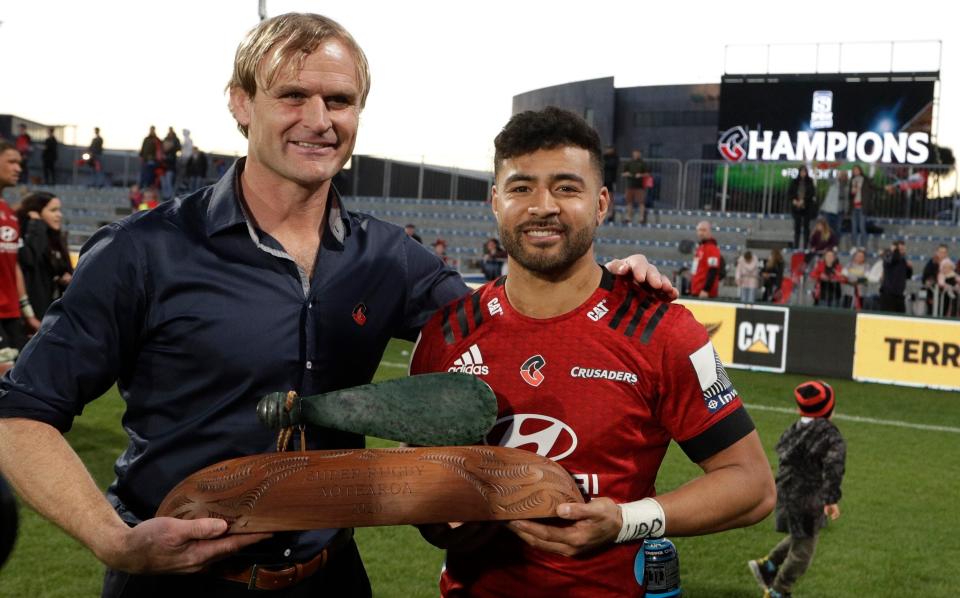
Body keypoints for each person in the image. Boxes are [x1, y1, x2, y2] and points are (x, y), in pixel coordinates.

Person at [0, 15, 675, 598]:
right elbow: (21, 416)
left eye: (340, 100)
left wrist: (603, 278)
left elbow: (508, 325)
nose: (319, 121)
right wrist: (110, 539)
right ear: (240, 102)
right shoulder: (144, 252)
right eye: (292, 95)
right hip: (172, 583)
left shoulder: (388, 258)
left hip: (331, 578)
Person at [411, 106, 774, 598]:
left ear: (601, 203)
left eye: (566, 187)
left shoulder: (661, 331)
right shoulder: (447, 333)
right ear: (494, 201)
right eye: (521, 188)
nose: (543, 205)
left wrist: (626, 521)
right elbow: (420, 481)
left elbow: (751, 486)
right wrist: (439, 516)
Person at [748, 380, 845, 598]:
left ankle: (769, 565)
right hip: (807, 498)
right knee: (803, 553)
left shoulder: (795, 428)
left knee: (802, 534)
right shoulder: (831, 436)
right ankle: (778, 590)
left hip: (786, 491)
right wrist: (831, 499)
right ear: (830, 409)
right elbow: (834, 468)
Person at [0, 141, 42, 350]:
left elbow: (13, 264)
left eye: (20, 163)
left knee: (16, 376)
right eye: (11, 162)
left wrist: (28, 314)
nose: (18, 168)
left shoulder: (9, 213)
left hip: (11, 314)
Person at [15, 192, 73, 319]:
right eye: (53, 210)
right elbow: (29, 260)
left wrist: (63, 278)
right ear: (35, 213)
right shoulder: (25, 237)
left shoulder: (58, 240)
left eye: (59, 210)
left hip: (53, 313)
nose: (59, 215)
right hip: (31, 314)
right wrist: (36, 224)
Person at [879, 240, 913, 313]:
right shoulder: (889, 257)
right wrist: (895, 250)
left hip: (899, 295)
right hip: (888, 295)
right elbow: (893, 258)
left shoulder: (903, 261)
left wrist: (910, 268)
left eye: (903, 249)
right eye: (900, 249)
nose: (902, 251)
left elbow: (908, 276)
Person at [691, 220, 723, 298]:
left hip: (705, 293)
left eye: (704, 230)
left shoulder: (712, 248)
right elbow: (695, 270)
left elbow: (713, 270)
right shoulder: (700, 248)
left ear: (710, 231)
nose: (701, 233)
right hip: (696, 290)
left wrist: (706, 290)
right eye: (699, 230)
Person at [788, 166, 816, 250]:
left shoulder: (810, 182)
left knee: (806, 227)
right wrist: (794, 200)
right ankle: (796, 246)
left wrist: (803, 201)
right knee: (797, 227)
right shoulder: (794, 182)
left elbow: (811, 193)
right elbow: (790, 193)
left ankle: (805, 246)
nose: (803, 173)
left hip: (807, 207)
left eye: (804, 172)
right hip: (796, 208)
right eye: (801, 172)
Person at [621, 149, 648, 225]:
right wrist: (627, 174)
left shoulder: (642, 163)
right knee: (629, 202)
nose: (636, 154)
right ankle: (628, 218)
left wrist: (641, 175)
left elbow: (648, 174)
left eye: (637, 153)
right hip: (630, 185)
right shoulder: (629, 163)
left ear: (640, 154)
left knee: (641, 202)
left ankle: (641, 218)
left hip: (640, 186)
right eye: (635, 153)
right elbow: (623, 173)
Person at [819, 170, 846, 243]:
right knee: (828, 230)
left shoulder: (847, 186)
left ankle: (834, 246)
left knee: (838, 230)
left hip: (840, 211)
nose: (842, 176)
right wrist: (831, 168)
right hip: (829, 210)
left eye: (844, 175)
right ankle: (827, 245)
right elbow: (829, 178)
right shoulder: (834, 183)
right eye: (841, 174)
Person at [848, 165, 871, 249]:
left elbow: (873, 187)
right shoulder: (852, 180)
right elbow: (849, 196)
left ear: (860, 170)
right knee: (853, 227)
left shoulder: (865, 180)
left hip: (862, 206)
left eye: (857, 170)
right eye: (854, 170)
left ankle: (863, 246)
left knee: (862, 226)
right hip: (854, 207)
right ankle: (854, 246)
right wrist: (852, 192)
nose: (855, 171)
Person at [922, 244, 949, 315]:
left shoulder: (949, 265)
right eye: (940, 252)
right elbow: (925, 279)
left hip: (945, 297)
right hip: (933, 295)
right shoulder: (931, 264)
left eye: (944, 252)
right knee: (932, 314)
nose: (942, 254)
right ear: (937, 252)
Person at [160, 127, 182, 200]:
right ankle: (165, 196)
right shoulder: (165, 139)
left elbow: (179, 148)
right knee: (164, 182)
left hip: (171, 166)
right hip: (163, 166)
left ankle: (170, 196)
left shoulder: (176, 140)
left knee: (169, 181)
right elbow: (161, 148)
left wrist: (171, 147)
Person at [602, 146, 619, 224]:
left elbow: (611, 165)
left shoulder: (615, 158)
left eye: (610, 149)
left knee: (610, 198)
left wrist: (605, 163)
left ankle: (611, 214)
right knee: (602, 197)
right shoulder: (603, 157)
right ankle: (603, 214)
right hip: (602, 180)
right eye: (607, 148)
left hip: (611, 180)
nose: (608, 150)